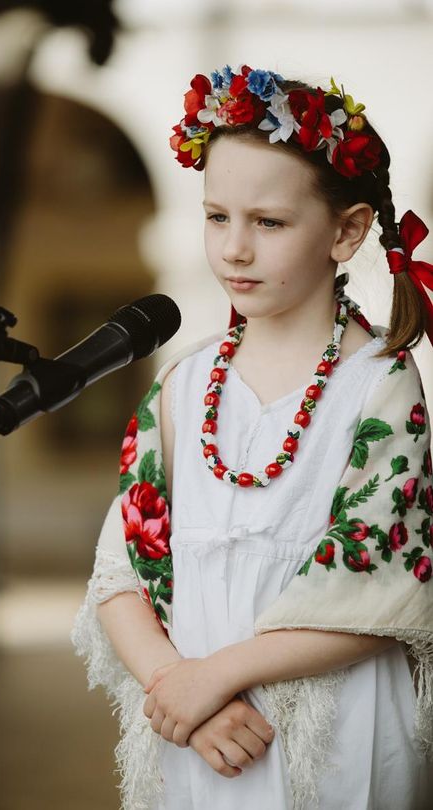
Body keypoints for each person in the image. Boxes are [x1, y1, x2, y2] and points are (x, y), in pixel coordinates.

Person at [72, 66, 433, 810]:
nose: (234, 249)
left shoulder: (379, 384)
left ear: (348, 230)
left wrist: (217, 674)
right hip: (203, 737)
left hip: (333, 736)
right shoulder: (183, 384)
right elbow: (122, 572)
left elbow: (380, 584)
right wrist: (181, 688)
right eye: (216, 217)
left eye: (267, 222)